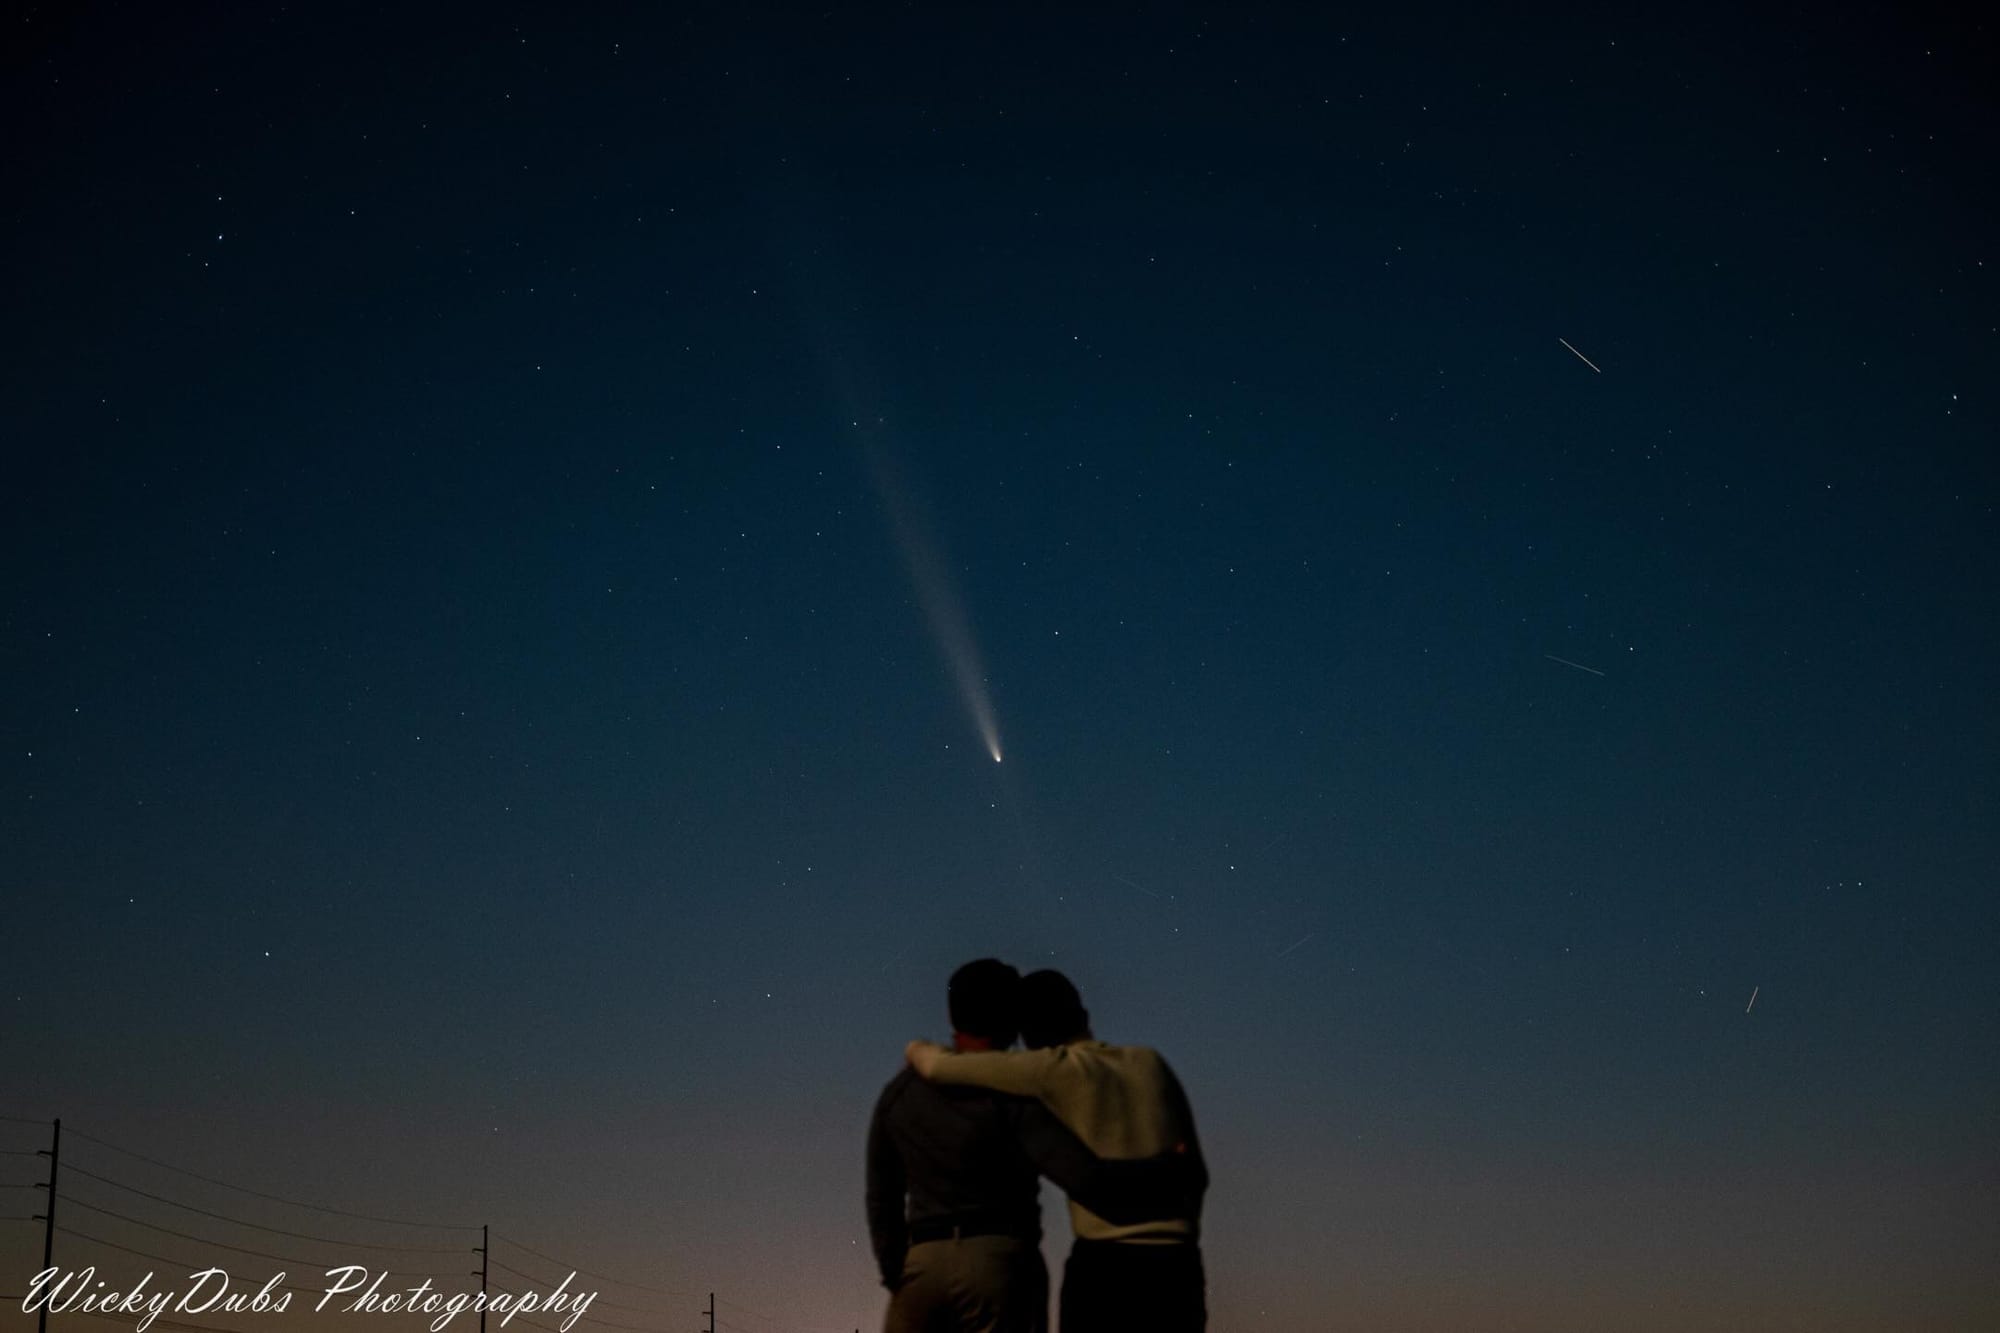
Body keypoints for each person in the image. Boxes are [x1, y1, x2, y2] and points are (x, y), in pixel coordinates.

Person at [867, 959, 1197, 1333]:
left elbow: (882, 1195)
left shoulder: (899, 1094)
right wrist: (1167, 1169)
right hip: (1005, 1263)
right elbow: (1083, 1176)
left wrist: (897, 1270)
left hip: (921, 1264)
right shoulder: (1022, 1092)